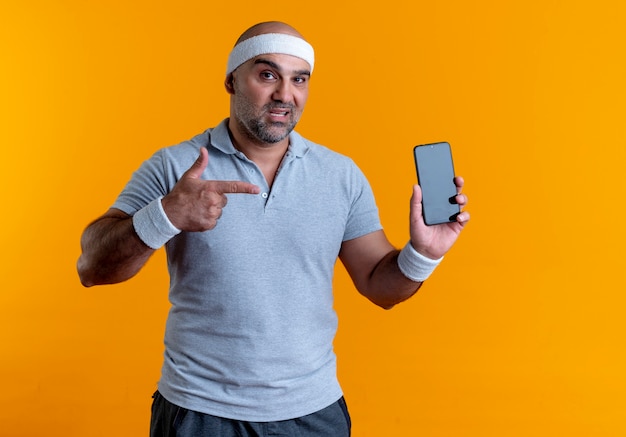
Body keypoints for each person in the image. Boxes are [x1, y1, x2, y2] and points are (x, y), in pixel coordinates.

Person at [77, 21, 469, 437]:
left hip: (312, 414)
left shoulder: (340, 175)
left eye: (299, 79)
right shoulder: (177, 166)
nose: (285, 94)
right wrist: (166, 216)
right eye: (267, 75)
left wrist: (424, 253)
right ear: (231, 81)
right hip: (199, 413)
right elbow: (92, 266)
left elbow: (379, 286)